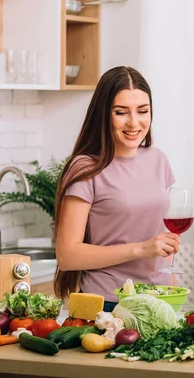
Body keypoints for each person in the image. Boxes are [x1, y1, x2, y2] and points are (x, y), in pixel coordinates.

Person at [53, 66, 180, 312]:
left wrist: (173, 292)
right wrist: (140, 249)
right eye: (121, 112)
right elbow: (67, 256)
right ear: (104, 115)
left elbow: (163, 236)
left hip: (160, 299)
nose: (134, 122)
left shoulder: (158, 160)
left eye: (142, 111)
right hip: (108, 304)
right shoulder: (85, 168)